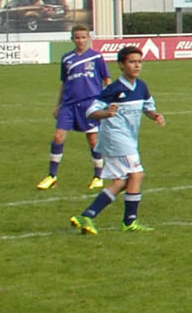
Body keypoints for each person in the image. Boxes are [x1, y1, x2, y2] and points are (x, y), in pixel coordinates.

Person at [68, 45, 165, 234]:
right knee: (137, 174)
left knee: (122, 181)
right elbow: (90, 112)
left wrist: (155, 116)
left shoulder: (141, 87)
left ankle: (86, 216)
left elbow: (147, 107)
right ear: (121, 65)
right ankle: (129, 222)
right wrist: (107, 113)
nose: (137, 66)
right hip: (116, 138)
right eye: (132, 62)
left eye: (139, 62)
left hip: (128, 138)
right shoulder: (113, 89)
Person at [38, 25, 108, 191]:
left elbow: (107, 79)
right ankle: (52, 176)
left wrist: (105, 101)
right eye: (77, 37)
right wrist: (58, 104)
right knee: (58, 137)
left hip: (90, 104)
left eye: (83, 37)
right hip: (69, 105)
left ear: (89, 38)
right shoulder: (66, 58)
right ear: (72, 39)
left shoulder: (97, 57)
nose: (80, 40)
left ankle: (98, 176)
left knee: (93, 140)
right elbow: (64, 83)